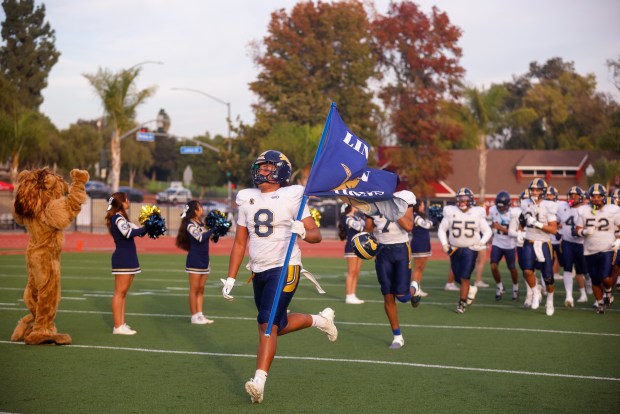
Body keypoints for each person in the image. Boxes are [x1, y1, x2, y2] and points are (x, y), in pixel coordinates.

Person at [222, 150, 337, 404]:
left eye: (267, 167)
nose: (261, 171)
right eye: (260, 167)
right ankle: (319, 320)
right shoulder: (246, 198)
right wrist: (231, 277)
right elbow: (240, 243)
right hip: (258, 269)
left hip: (285, 267)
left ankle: (259, 383)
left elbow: (316, 234)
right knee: (277, 325)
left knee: (266, 323)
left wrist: (304, 233)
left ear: (281, 171)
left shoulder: (293, 195)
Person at [364, 189, 420, 349]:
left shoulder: (403, 198)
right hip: (382, 251)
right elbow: (368, 229)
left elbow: (409, 226)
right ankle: (397, 336)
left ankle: (414, 288)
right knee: (388, 296)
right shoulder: (372, 201)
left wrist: (392, 207)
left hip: (401, 249)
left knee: (402, 297)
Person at [437, 187, 492, 313]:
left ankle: (462, 304)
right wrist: (445, 243)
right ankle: (471, 289)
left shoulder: (476, 213)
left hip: (470, 249)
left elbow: (487, 231)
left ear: (471, 200)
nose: (462, 201)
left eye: (465, 199)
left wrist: (482, 242)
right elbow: (441, 229)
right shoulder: (450, 212)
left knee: (465, 276)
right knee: (457, 276)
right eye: (460, 199)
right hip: (454, 248)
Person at [106, 192, 148, 335]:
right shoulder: (117, 218)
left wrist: (150, 224)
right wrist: (146, 228)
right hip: (122, 258)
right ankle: (117, 326)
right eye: (127, 199)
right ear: (122, 202)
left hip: (129, 257)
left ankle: (121, 324)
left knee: (123, 293)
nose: (129, 201)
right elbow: (128, 233)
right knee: (119, 292)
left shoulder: (123, 218)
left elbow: (138, 231)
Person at [574, 184, 620, 314]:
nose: (596, 199)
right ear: (590, 197)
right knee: (595, 280)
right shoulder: (583, 210)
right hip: (589, 250)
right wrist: (584, 232)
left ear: (604, 197)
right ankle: (600, 304)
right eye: (593, 197)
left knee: (605, 277)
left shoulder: (613, 210)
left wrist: (618, 240)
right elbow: (577, 229)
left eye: (599, 196)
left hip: (607, 248)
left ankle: (609, 291)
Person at [520, 178, 558, 316]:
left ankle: (550, 300)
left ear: (543, 191)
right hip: (529, 240)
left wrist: (538, 224)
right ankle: (536, 291)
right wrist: (520, 231)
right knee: (527, 271)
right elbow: (522, 219)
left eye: (538, 190)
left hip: (543, 243)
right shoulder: (525, 203)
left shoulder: (549, 205)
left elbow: (553, 229)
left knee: (548, 276)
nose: (535, 192)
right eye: (533, 190)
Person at [175, 200, 215, 324]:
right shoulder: (190, 224)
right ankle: (194, 316)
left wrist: (217, 231)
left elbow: (208, 237)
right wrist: (214, 229)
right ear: (195, 210)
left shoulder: (201, 223)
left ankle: (200, 314)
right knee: (194, 289)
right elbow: (200, 237)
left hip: (204, 259)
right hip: (195, 260)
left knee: (201, 289)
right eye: (200, 207)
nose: (202, 209)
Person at [555, 186, 588, 306]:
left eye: (576, 195)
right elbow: (556, 221)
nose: (573, 197)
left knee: (583, 270)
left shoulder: (586, 209)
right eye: (571, 195)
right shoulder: (562, 207)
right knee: (567, 267)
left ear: (581, 197)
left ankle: (584, 291)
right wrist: (556, 232)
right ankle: (569, 296)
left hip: (582, 243)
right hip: (567, 242)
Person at [488, 191, 520, 301]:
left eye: (503, 207)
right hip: (497, 242)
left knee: (512, 268)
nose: (501, 209)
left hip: (509, 244)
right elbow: (491, 224)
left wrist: (499, 227)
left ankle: (515, 288)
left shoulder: (514, 213)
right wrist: (491, 230)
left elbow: (514, 232)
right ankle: (499, 286)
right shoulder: (492, 210)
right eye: (499, 207)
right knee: (493, 266)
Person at [338, 204, 365, 304]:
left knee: (356, 271)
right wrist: (363, 223)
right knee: (351, 271)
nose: (356, 205)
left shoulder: (356, 217)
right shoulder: (347, 218)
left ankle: (353, 294)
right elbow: (359, 227)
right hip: (351, 246)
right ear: (349, 207)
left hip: (359, 246)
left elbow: (365, 225)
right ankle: (348, 295)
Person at [410, 200, 433, 297]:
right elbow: (427, 225)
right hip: (419, 244)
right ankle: (413, 289)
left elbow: (429, 223)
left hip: (424, 244)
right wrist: (434, 219)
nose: (423, 207)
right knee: (417, 268)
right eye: (422, 205)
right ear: (418, 206)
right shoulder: (415, 216)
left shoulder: (422, 216)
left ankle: (418, 287)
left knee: (421, 267)